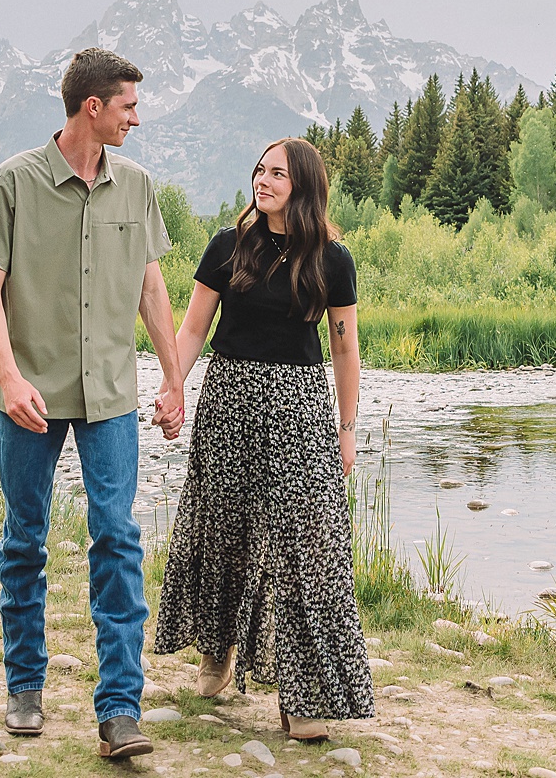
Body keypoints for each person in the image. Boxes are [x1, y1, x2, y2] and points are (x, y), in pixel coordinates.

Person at [0, 47, 186, 760]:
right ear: (92, 107)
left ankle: (120, 709)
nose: (135, 118)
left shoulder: (138, 186)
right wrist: (8, 377)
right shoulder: (13, 182)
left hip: (111, 395)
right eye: (128, 105)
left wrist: (174, 378)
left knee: (117, 538)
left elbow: (152, 288)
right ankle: (24, 687)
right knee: (24, 539)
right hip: (29, 393)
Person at [153, 137, 374, 741]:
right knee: (223, 527)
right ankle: (217, 646)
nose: (263, 180)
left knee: (311, 549)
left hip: (302, 409)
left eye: (277, 173)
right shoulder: (228, 245)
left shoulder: (333, 259)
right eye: (259, 170)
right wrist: (173, 387)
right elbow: (193, 329)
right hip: (228, 400)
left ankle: (304, 695)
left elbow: (346, 349)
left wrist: (346, 429)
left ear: (303, 185)